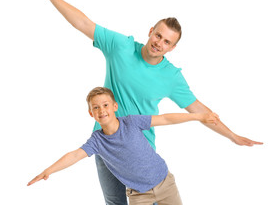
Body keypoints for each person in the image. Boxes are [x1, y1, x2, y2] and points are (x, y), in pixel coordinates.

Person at [25, 0, 263, 205]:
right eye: (158, 36)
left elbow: (198, 109)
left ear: (172, 47)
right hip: (106, 145)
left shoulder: (171, 77)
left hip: (141, 147)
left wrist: (232, 136)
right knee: (114, 201)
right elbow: (84, 23)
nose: (159, 43)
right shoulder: (121, 47)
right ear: (151, 32)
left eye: (167, 41)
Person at [28, 87, 222, 204]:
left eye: (105, 105)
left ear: (114, 107)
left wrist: (199, 116)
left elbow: (165, 118)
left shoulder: (131, 122)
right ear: (91, 114)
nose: (101, 110)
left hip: (164, 183)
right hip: (139, 195)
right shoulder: (97, 140)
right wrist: (48, 170)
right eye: (95, 107)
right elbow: (74, 155)